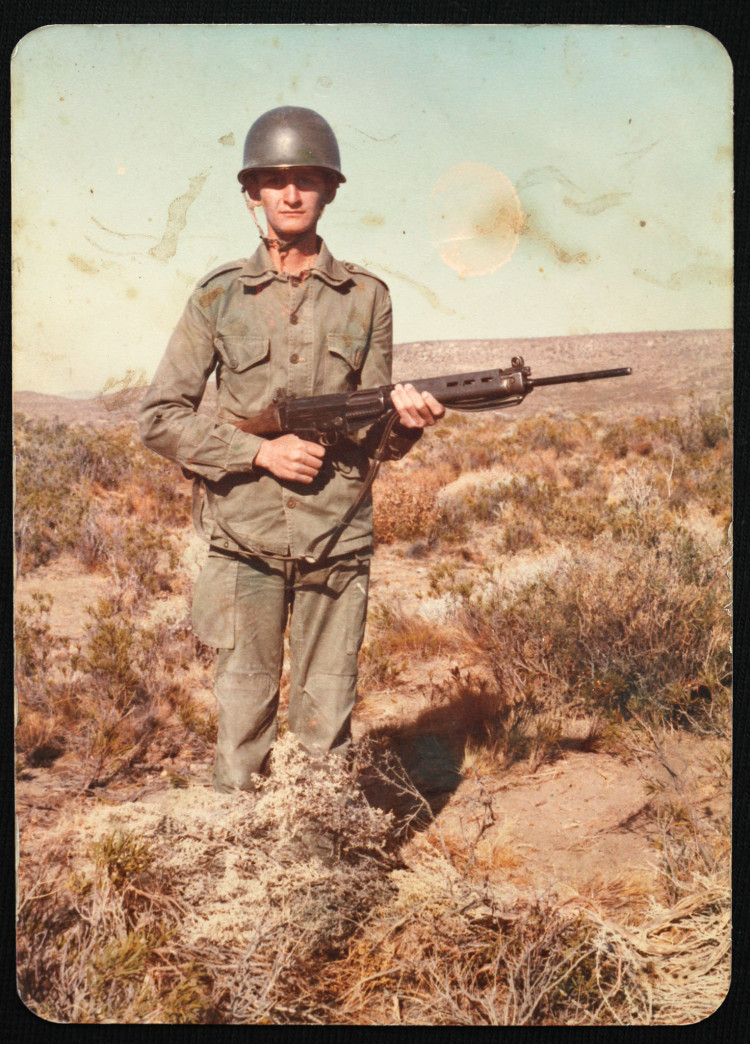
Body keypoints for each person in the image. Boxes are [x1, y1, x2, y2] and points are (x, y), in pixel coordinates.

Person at [139, 106, 444, 792]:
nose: (291, 194)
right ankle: (234, 840)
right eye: (276, 180)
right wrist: (260, 454)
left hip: (336, 536)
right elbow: (160, 418)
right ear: (253, 191)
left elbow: (373, 436)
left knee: (326, 718)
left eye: (307, 179)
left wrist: (408, 425)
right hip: (243, 538)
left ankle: (317, 844)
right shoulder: (219, 296)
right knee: (242, 717)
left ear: (330, 190)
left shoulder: (367, 297)